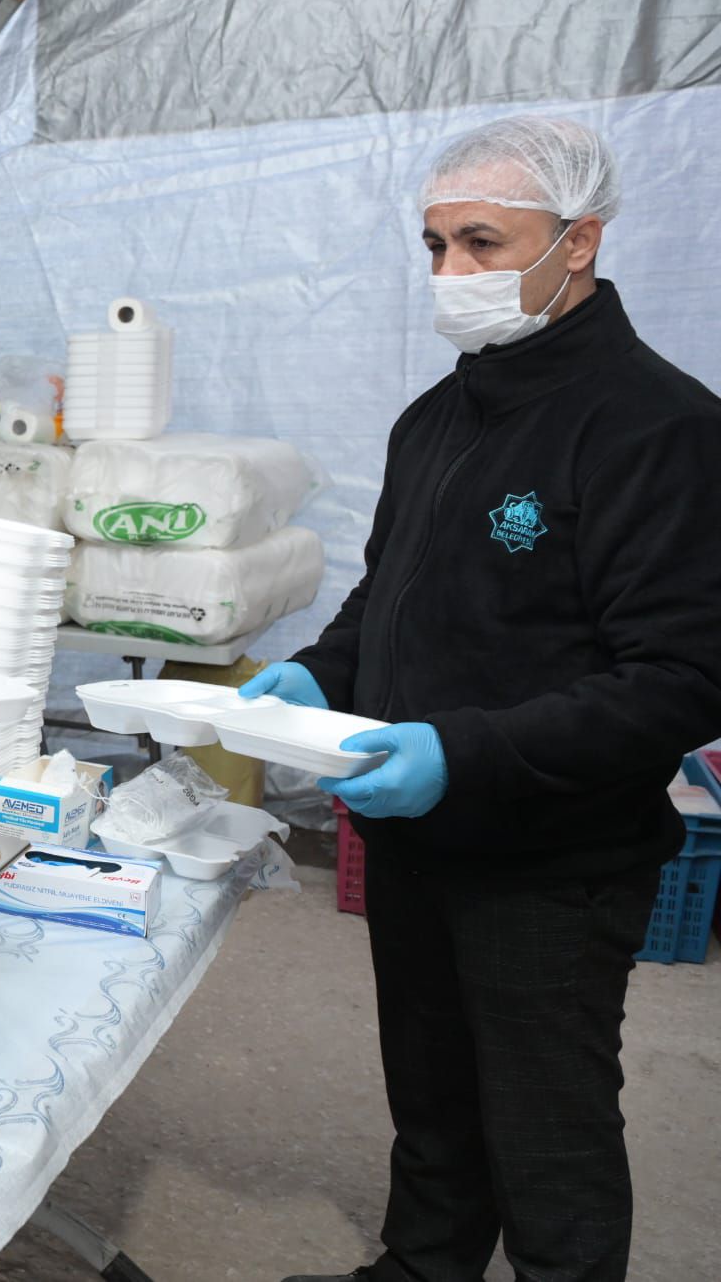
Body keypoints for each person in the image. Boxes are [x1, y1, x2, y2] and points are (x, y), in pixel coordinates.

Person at [250, 118, 721, 1282]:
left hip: (548, 863)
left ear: (577, 243)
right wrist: (321, 672)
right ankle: (420, 1269)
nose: (450, 272)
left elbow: (680, 679)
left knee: (545, 1134)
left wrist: (460, 754)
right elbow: (390, 597)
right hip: (412, 839)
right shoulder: (435, 420)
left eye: (480, 242)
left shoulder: (657, 429)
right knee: (431, 1103)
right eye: (433, 245)